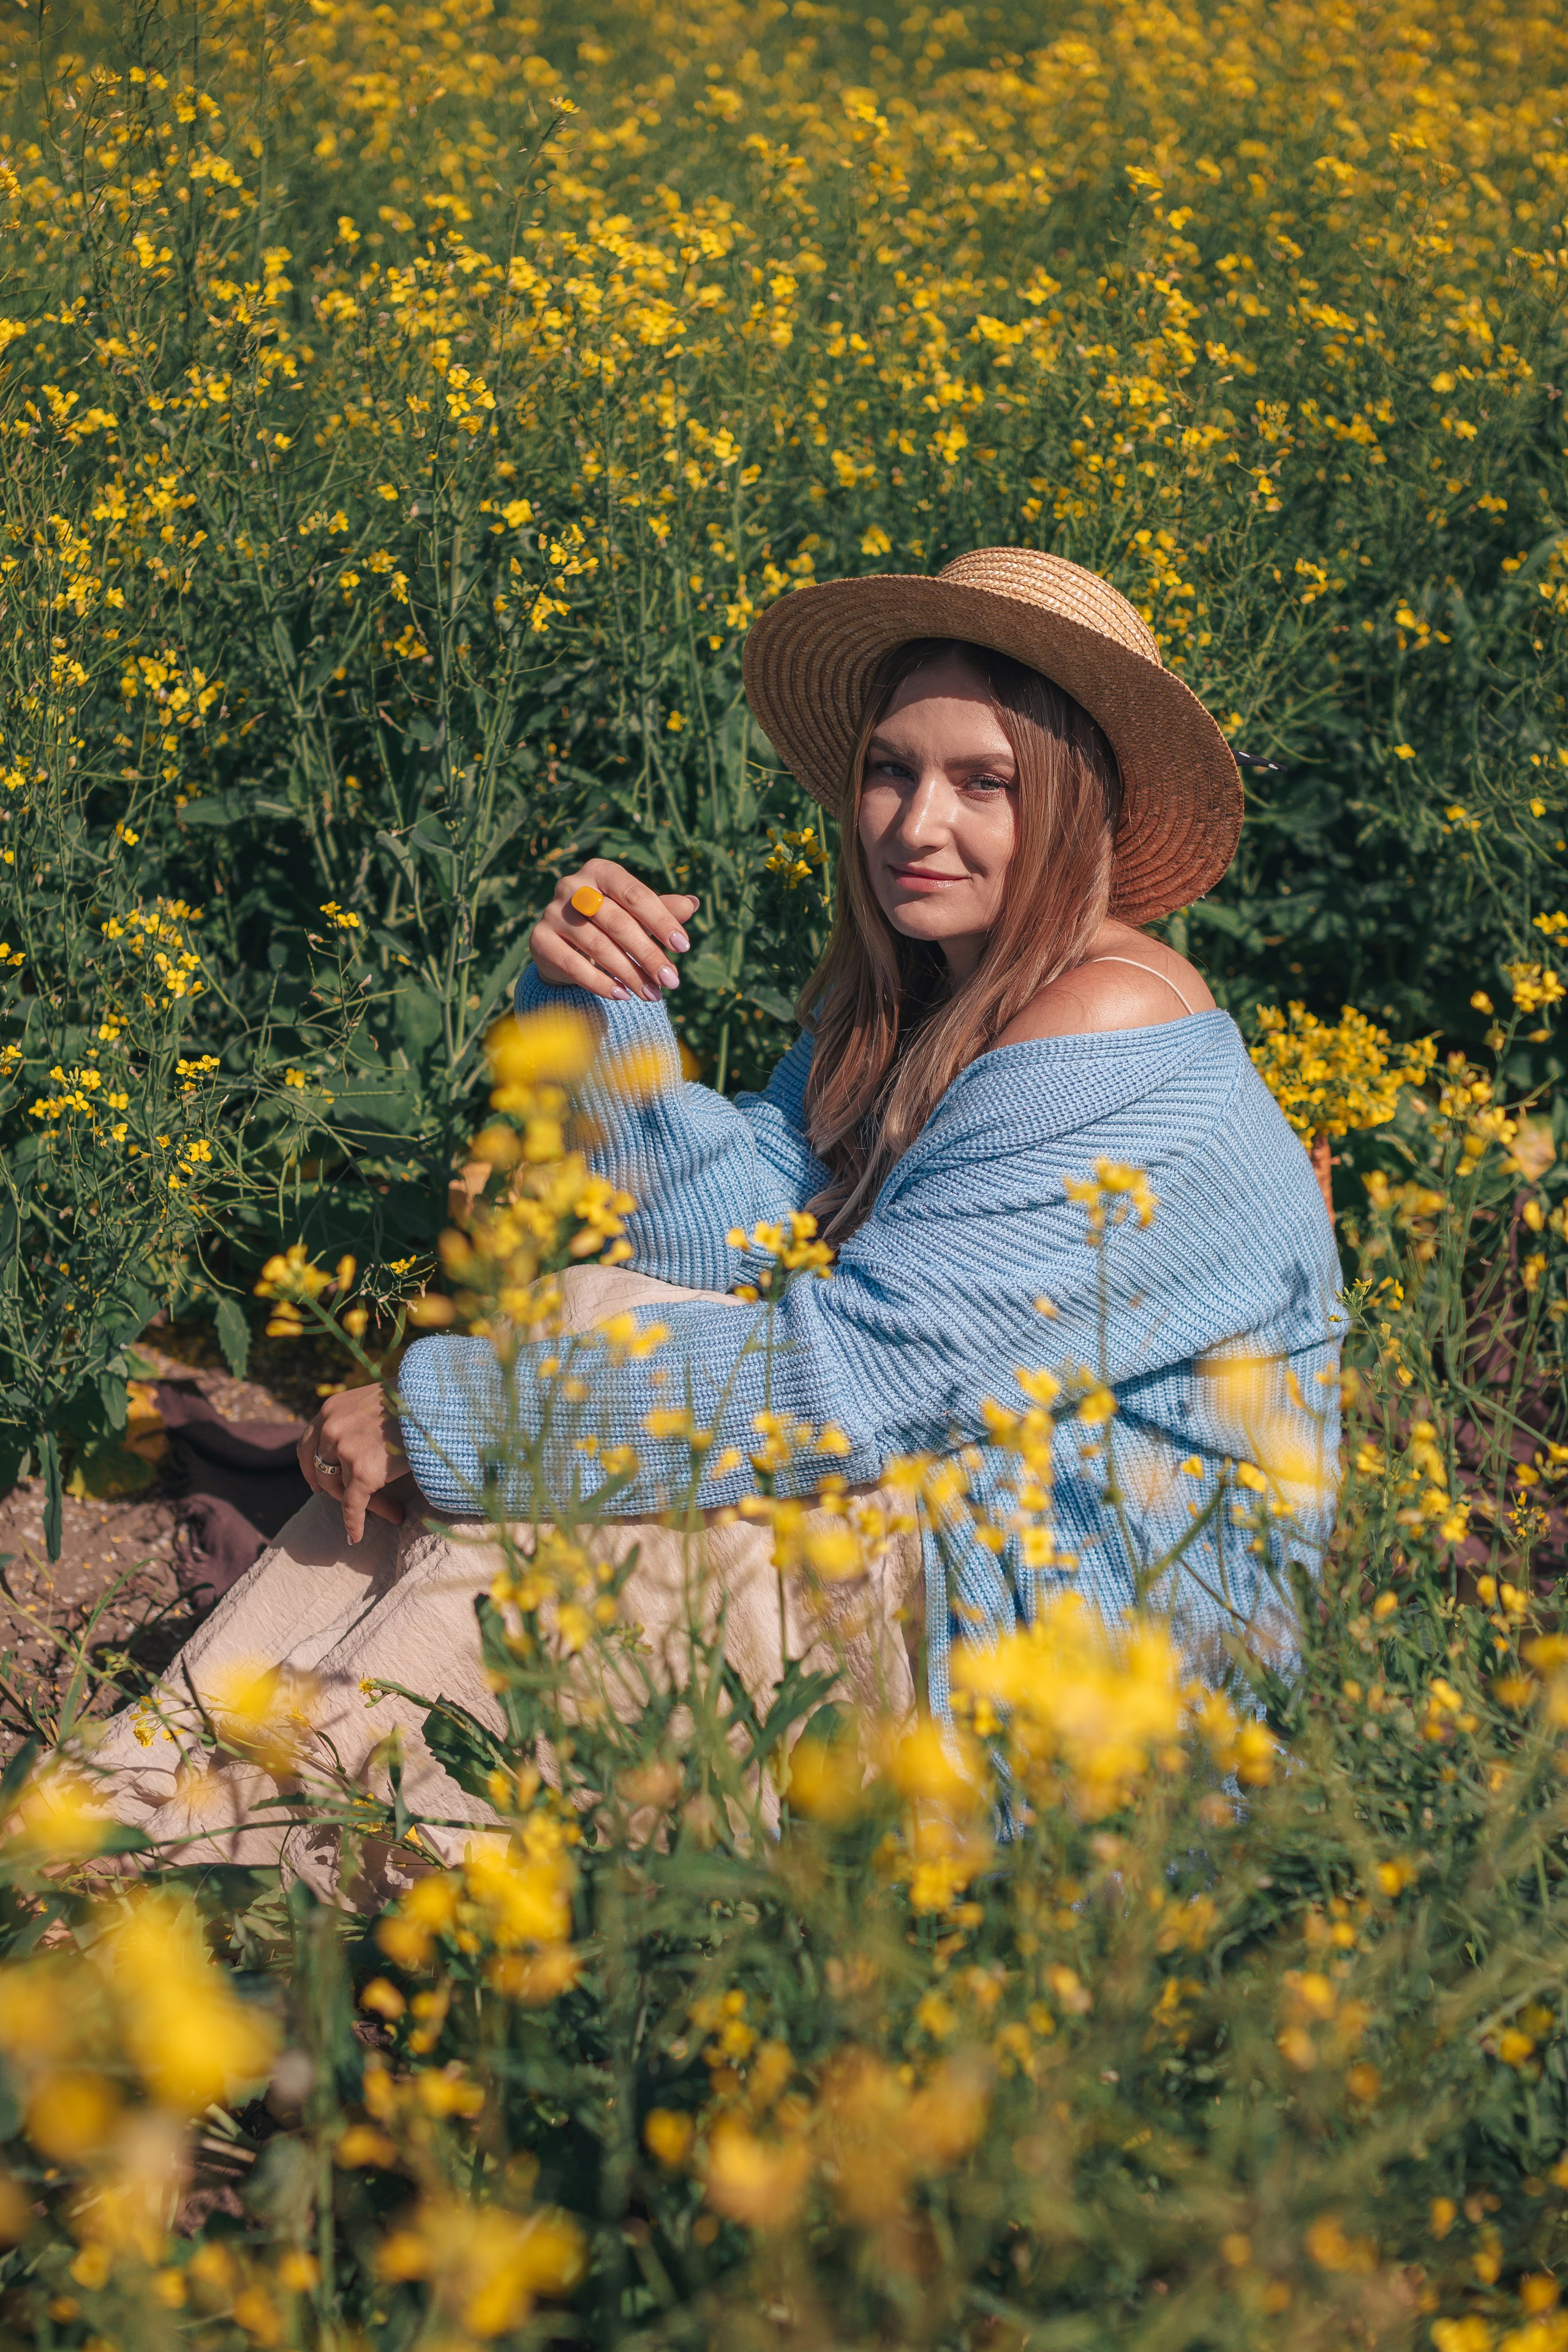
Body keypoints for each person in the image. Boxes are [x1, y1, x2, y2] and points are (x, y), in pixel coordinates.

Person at [69, 548, 1343, 1894]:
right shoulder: (924, 1001)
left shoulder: (1111, 1032)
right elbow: (731, 1249)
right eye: (890, 770)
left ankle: (237, 1857)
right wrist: (592, 1001)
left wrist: (445, 1427)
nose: (914, 826)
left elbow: (836, 1381)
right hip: (946, 1531)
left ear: (1079, 805)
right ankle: (178, 1806)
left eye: (985, 784)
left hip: (1075, 1683)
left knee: (631, 1473)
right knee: (601, 1340)